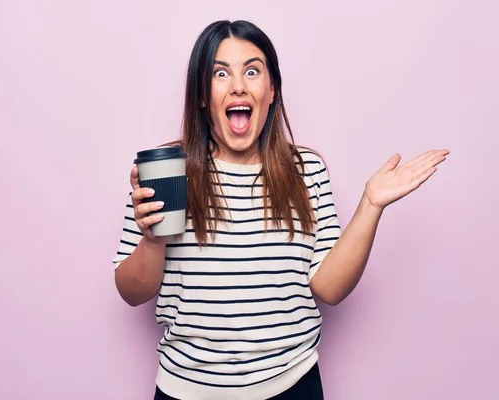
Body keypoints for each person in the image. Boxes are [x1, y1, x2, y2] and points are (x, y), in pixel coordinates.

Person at [111, 19, 449, 400]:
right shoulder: (166, 170)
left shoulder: (306, 171)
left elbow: (329, 288)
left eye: (252, 71)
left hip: (293, 385)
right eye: (220, 73)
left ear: (271, 90)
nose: (238, 85)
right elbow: (131, 293)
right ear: (202, 94)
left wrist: (370, 205)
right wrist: (153, 240)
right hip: (185, 390)